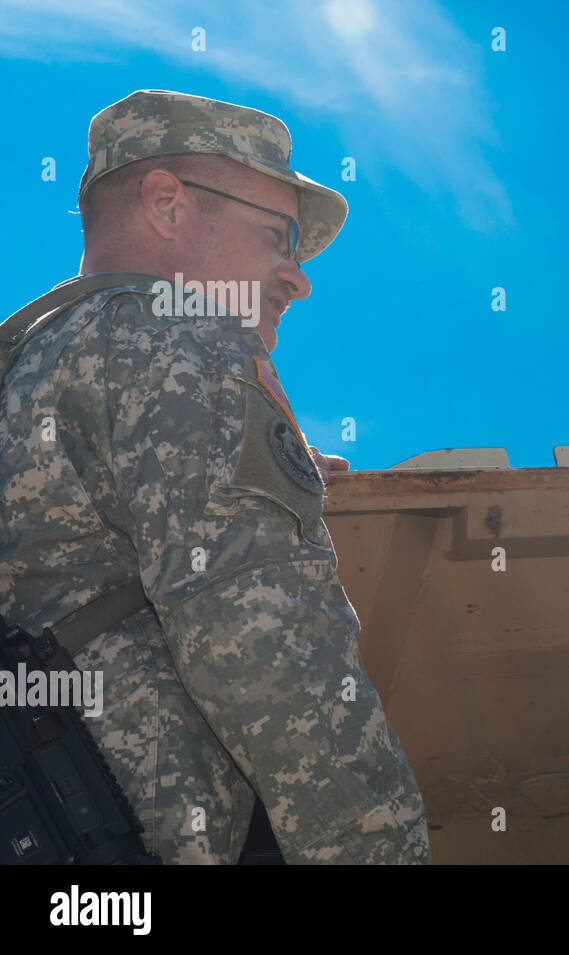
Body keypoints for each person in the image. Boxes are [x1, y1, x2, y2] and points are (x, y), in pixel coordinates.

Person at [0, 90, 430, 863]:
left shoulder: (33, 364)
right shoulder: (181, 339)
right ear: (166, 202)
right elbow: (274, 657)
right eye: (277, 235)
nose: (296, 276)